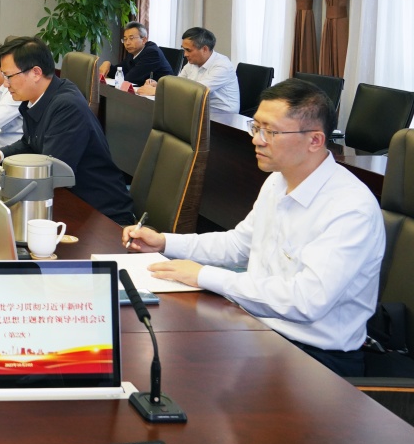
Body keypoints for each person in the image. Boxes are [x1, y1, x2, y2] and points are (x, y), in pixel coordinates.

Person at [123, 79, 383, 377]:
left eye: (270, 132)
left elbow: (306, 301)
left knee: (182, 372)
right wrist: (164, 243)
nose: (257, 140)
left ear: (314, 140)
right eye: (256, 127)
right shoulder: (278, 180)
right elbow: (238, 245)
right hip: (260, 328)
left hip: (317, 359)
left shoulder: (350, 208)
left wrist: (204, 275)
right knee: (158, 349)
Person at [0, 37, 134, 225]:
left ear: (36, 73)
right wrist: (0, 154)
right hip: (68, 204)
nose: (5, 84)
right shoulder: (37, 98)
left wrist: (4, 182)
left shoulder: (66, 106)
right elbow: (31, 143)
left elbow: (51, 172)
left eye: (9, 76)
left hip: (101, 215)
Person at [138, 26, 239, 113]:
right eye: (184, 49)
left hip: (222, 118)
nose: (185, 54)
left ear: (204, 49)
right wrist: (159, 85)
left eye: (188, 50)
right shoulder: (193, 62)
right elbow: (178, 84)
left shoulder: (222, 66)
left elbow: (197, 92)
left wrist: (157, 91)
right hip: (196, 110)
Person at [98, 22, 175, 86]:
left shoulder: (152, 53)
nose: (127, 43)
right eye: (125, 39)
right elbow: (120, 72)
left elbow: (130, 79)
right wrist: (108, 65)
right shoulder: (133, 51)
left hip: (161, 96)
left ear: (144, 40)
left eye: (131, 38)